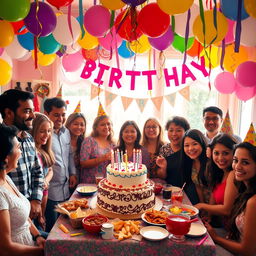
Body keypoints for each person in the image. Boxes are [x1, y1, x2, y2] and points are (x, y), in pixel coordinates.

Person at [0, 124, 45, 256]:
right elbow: (5, 248)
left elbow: (21, 214)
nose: (21, 152)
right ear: (5, 158)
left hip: (31, 242)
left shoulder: (6, 179)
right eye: (18, 148)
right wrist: (43, 251)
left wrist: (37, 236)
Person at [0, 89, 44, 221]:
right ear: (8, 113)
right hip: (11, 218)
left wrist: (36, 200)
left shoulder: (29, 138)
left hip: (31, 211)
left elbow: (38, 171)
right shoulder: (1, 142)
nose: (33, 116)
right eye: (27, 111)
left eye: (32, 110)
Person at [205, 142, 256, 256]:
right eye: (236, 160)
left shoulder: (253, 201)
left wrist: (216, 238)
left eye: (245, 162)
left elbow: (248, 251)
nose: (237, 166)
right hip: (232, 239)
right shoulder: (244, 189)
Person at [44, 97, 77, 232]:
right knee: (52, 229)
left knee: (66, 227)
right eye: (56, 115)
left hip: (66, 189)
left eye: (63, 115)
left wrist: (73, 173)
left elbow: (69, 155)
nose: (60, 119)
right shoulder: (43, 134)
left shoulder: (66, 132)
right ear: (47, 114)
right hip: (50, 191)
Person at [195, 134, 238, 226]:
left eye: (226, 153)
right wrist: (209, 216)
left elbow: (227, 210)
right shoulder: (220, 172)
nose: (220, 158)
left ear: (234, 154)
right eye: (216, 153)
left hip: (232, 232)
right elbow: (213, 196)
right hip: (223, 226)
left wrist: (201, 206)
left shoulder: (233, 174)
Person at [31, 113, 55, 225]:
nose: (46, 135)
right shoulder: (32, 153)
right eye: (42, 131)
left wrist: (46, 180)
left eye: (49, 131)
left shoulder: (44, 151)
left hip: (44, 203)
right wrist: (40, 215)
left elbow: (50, 171)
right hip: (36, 206)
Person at [80, 115, 115, 183]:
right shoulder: (89, 141)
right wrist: (103, 158)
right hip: (90, 182)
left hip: (107, 183)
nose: (106, 127)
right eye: (102, 124)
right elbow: (83, 163)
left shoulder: (113, 144)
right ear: (96, 128)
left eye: (108, 124)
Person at [156, 116, 190, 186]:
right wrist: (163, 168)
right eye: (171, 130)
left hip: (187, 188)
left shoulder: (189, 148)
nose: (174, 134)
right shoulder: (164, 149)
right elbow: (162, 176)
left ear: (186, 132)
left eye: (178, 130)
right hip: (169, 188)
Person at [181, 129, 208, 204]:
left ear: (202, 143)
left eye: (195, 144)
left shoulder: (209, 162)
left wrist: (209, 212)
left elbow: (214, 190)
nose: (190, 148)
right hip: (203, 205)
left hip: (216, 205)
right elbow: (198, 186)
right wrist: (202, 204)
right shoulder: (190, 163)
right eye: (187, 145)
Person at [65, 112, 86, 178]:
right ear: (68, 125)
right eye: (75, 124)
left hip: (79, 176)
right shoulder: (63, 140)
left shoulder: (84, 142)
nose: (79, 127)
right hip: (64, 175)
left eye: (82, 125)